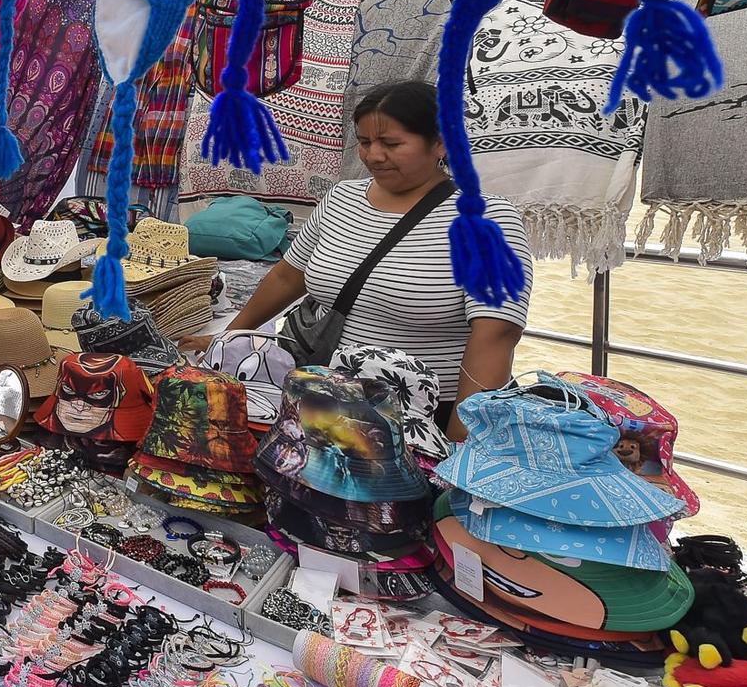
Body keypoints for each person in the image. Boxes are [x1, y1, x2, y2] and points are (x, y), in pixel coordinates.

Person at [190, 80, 529, 436]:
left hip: (415, 419)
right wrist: (227, 340)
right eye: (365, 142)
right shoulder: (341, 199)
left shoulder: (488, 220)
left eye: (392, 144)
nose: (373, 156)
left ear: (442, 142)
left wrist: (462, 437)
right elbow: (288, 277)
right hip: (316, 400)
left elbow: (496, 334)